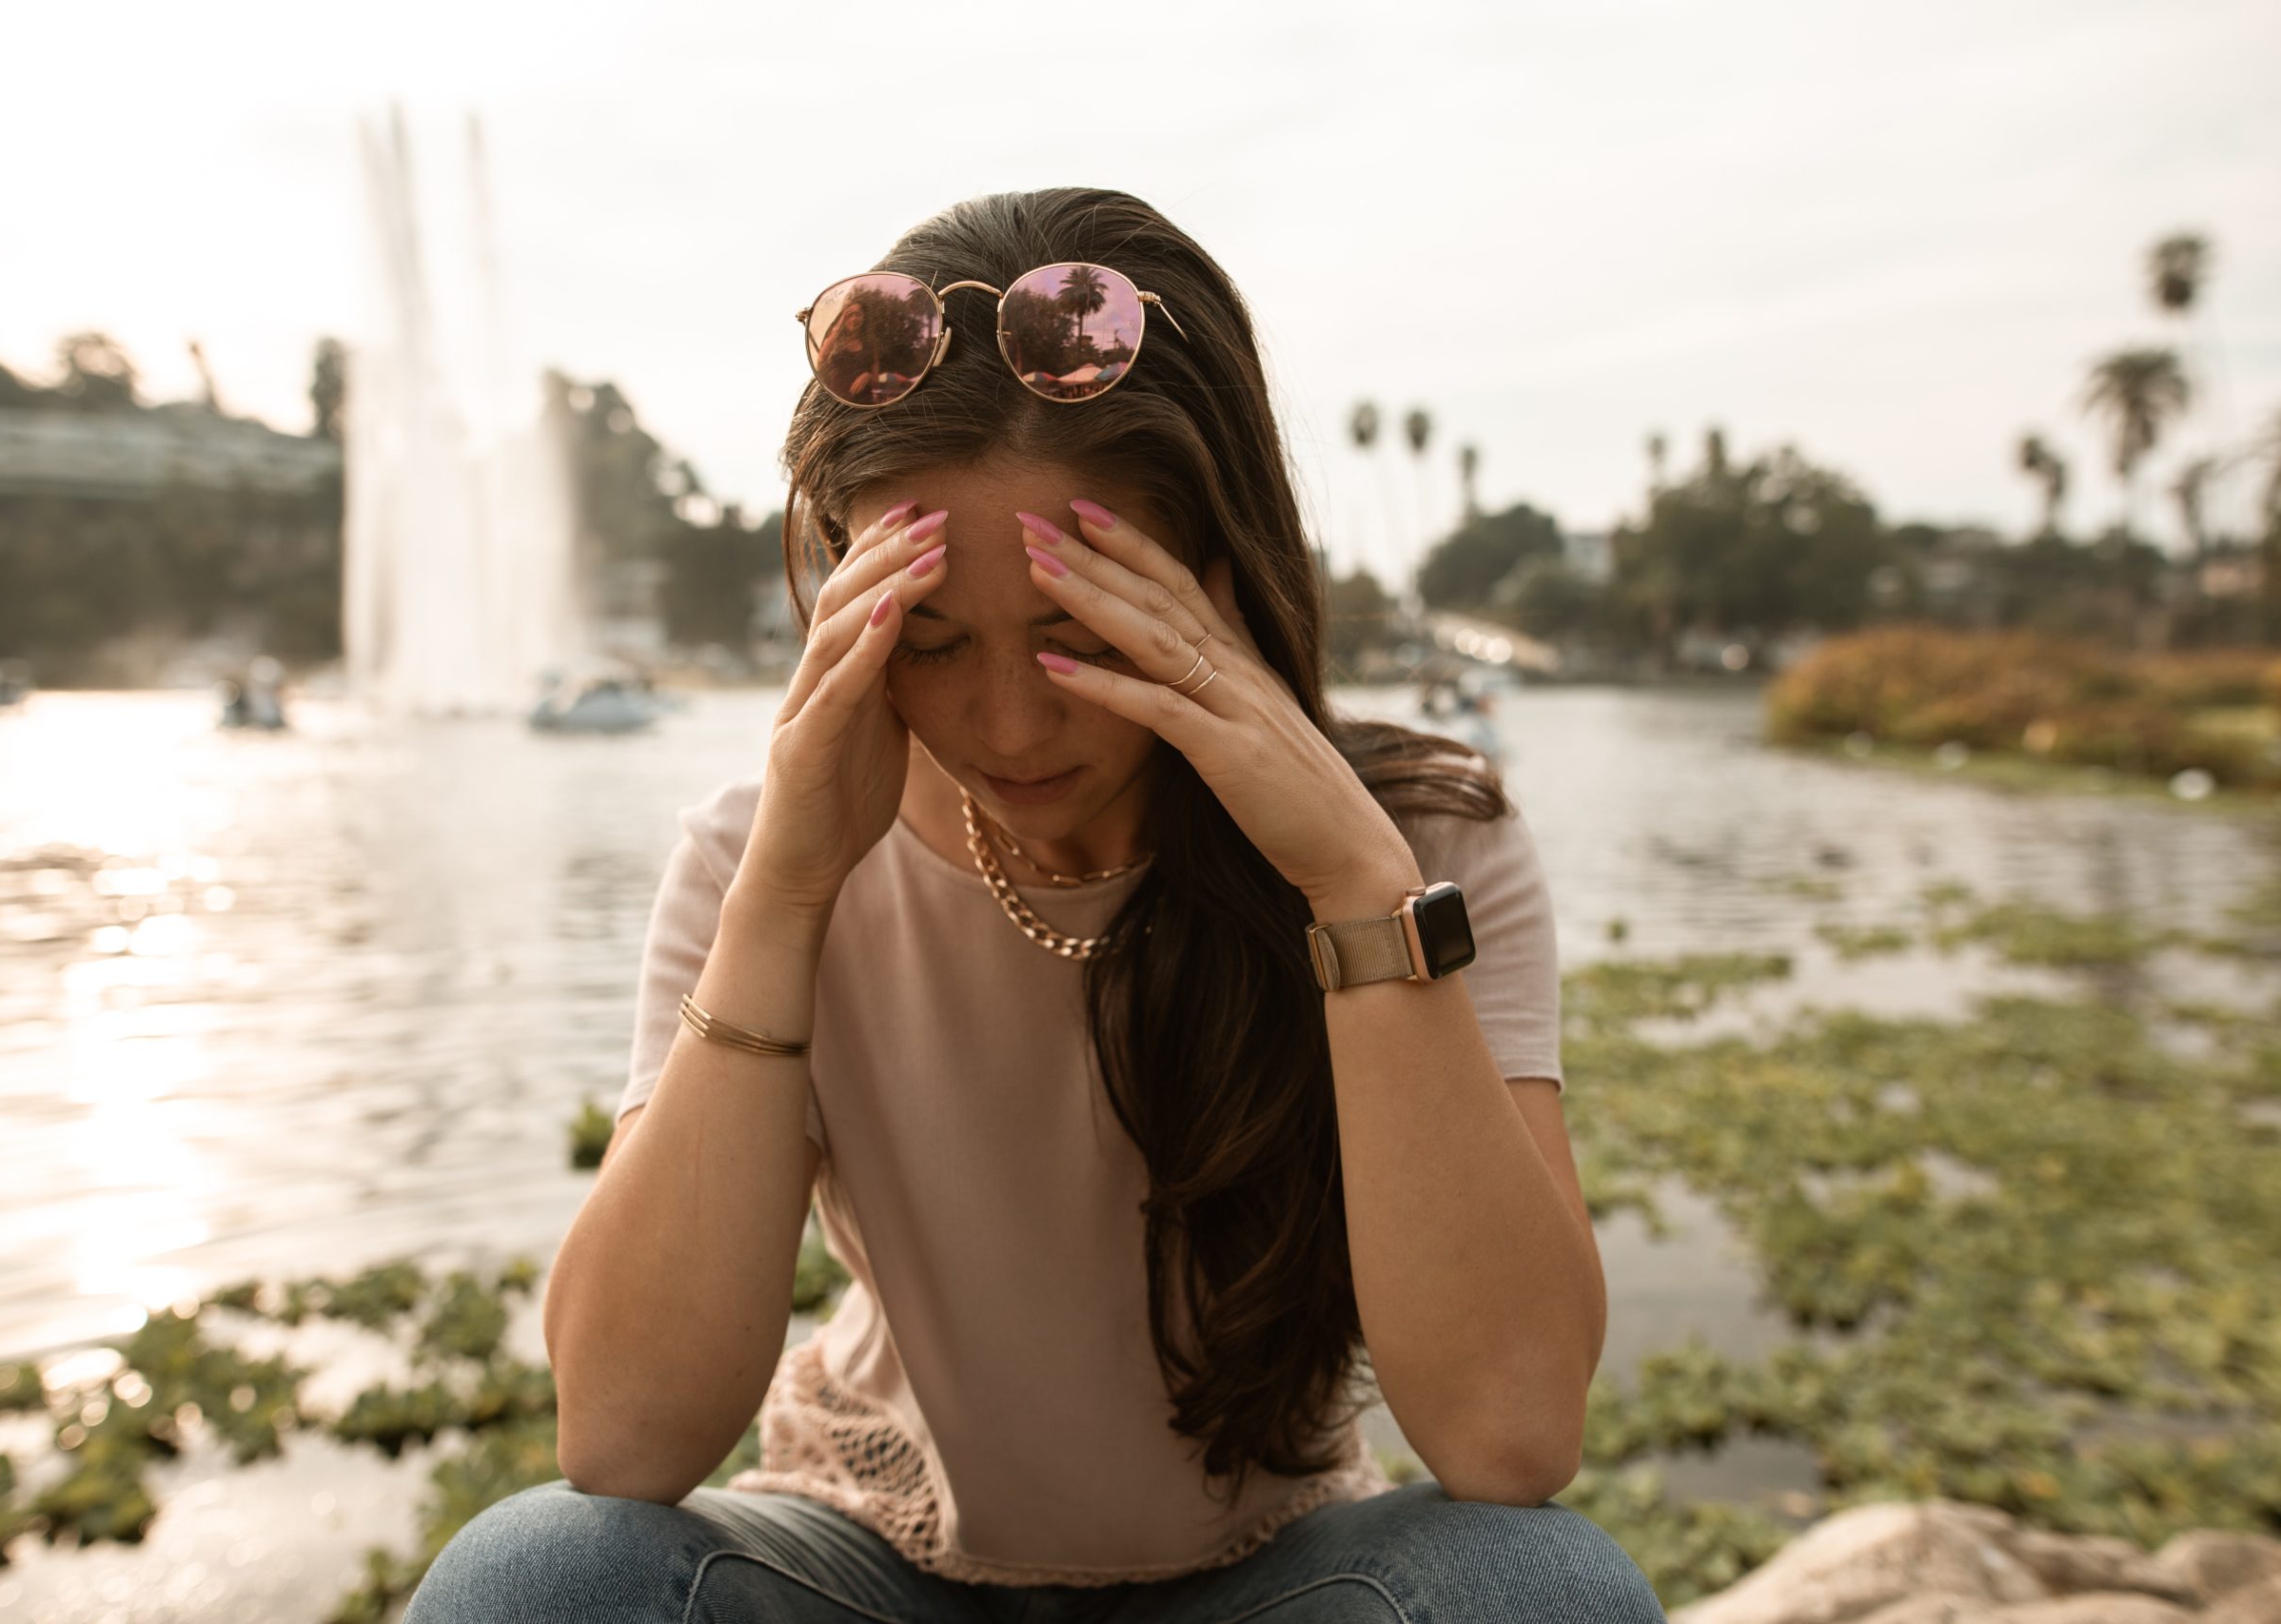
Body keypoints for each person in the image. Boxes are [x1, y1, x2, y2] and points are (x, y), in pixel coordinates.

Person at [407, 186, 1663, 1622]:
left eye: (1079, 634)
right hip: (875, 1568)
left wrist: (1356, 887)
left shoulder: (1421, 846)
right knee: (542, 1579)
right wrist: (790, 893)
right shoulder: (759, 861)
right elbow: (624, 1441)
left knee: (1537, 1593)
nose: (1008, 727)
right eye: (929, 642)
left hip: (1268, 1584)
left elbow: (1511, 1435)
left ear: (1221, 576)